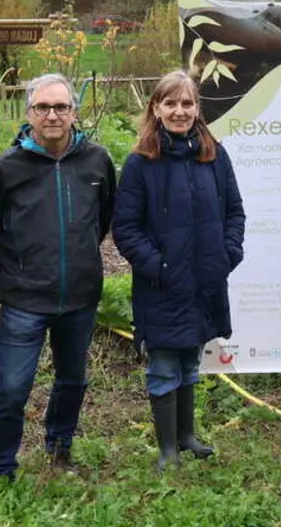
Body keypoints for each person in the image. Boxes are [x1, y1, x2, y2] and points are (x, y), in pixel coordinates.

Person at [0, 73, 116, 488]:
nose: (52, 115)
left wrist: (81, 261)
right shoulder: (3, 169)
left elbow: (102, 219)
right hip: (24, 300)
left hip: (80, 296)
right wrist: (19, 269)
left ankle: (59, 448)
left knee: (73, 379)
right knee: (12, 389)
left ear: (74, 112)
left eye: (61, 107)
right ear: (28, 113)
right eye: (42, 107)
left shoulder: (97, 161)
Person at [111, 70, 246, 470]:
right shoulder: (140, 163)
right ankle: (167, 448)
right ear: (155, 108)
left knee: (191, 359)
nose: (179, 111)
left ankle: (187, 436)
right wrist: (159, 267)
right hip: (161, 285)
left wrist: (227, 255)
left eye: (187, 103)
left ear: (197, 108)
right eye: (170, 103)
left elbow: (234, 212)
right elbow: (126, 229)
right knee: (164, 365)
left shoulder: (215, 154)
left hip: (205, 281)